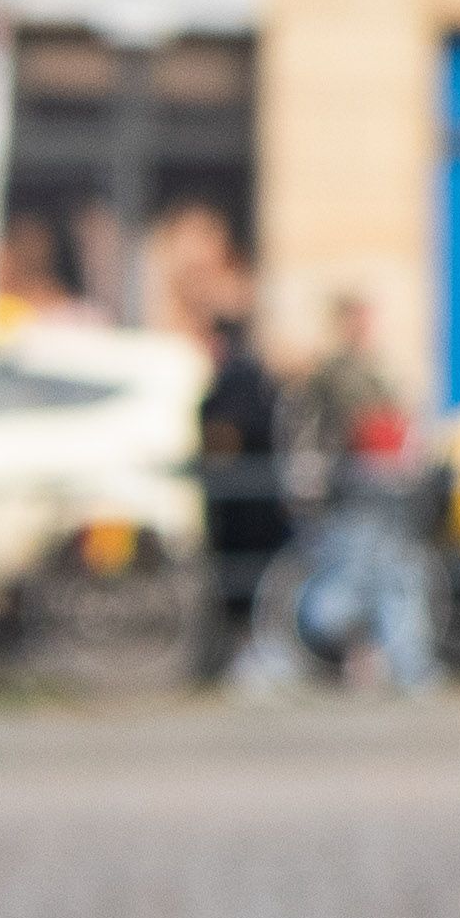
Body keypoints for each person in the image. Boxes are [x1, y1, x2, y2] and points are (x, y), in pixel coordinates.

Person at [271, 288, 443, 695]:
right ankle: (380, 657)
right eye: (360, 319)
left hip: (383, 487)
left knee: (387, 572)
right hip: (352, 486)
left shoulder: (374, 368)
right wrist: (305, 475)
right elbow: (316, 427)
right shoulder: (334, 372)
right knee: (360, 575)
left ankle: (389, 661)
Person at [190, 283, 295, 687]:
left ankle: (248, 658)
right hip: (255, 502)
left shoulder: (234, 382)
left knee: (245, 583)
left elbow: (224, 434)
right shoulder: (254, 379)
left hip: (243, 508)